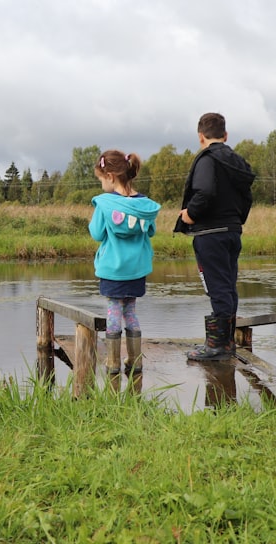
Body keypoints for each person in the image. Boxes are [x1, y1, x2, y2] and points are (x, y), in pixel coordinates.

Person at [175, 113, 256, 361]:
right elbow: (247, 198)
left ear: (200, 136)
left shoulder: (207, 160)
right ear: (226, 135)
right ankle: (226, 344)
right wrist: (236, 220)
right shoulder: (237, 163)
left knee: (218, 289)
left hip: (210, 234)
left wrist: (189, 214)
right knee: (228, 288)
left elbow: (205, 192)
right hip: (232, 232)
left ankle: (217, 348)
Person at [89, 150, 161, 392]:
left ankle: (112, 361)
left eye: (101, 179)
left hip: (112, 270)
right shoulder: (145, 206)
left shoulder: (105, 203)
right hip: (137, 270)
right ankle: (134, 361)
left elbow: (97, 234)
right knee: (130, 310)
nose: (101, 183)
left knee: (113, 310)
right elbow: (150, 232)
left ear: (110, 176)